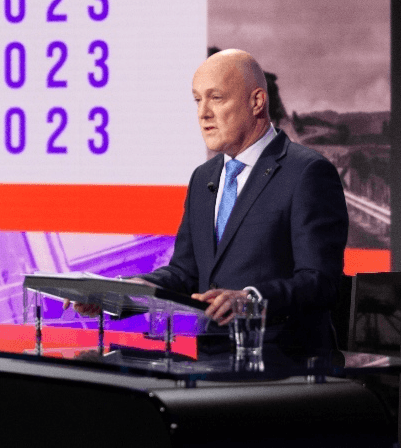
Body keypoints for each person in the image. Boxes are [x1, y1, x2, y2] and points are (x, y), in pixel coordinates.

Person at [69, 49, 348, 352]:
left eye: (216, 98)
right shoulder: (203, 178)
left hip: (285, 366)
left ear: (256, 102)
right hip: (212, 364)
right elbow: (184, 273)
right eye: (197, 100)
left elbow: (321, 283)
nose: (203, 113)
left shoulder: (307, 172)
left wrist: (251, 301)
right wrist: (123, 292)